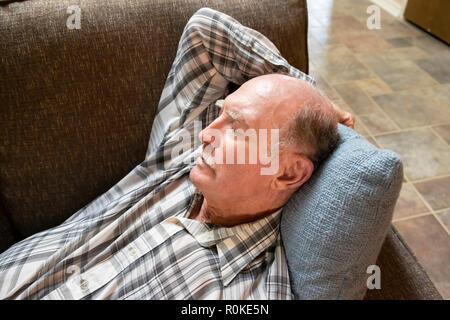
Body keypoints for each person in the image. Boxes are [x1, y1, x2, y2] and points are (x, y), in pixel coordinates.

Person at [0, 8, 353, 300]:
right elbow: (206, 30)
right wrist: (313, 98)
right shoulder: (179, 159)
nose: (207, 134)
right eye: (221, 113)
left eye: (238, 128)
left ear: (289, 173)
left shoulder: (250, 294)